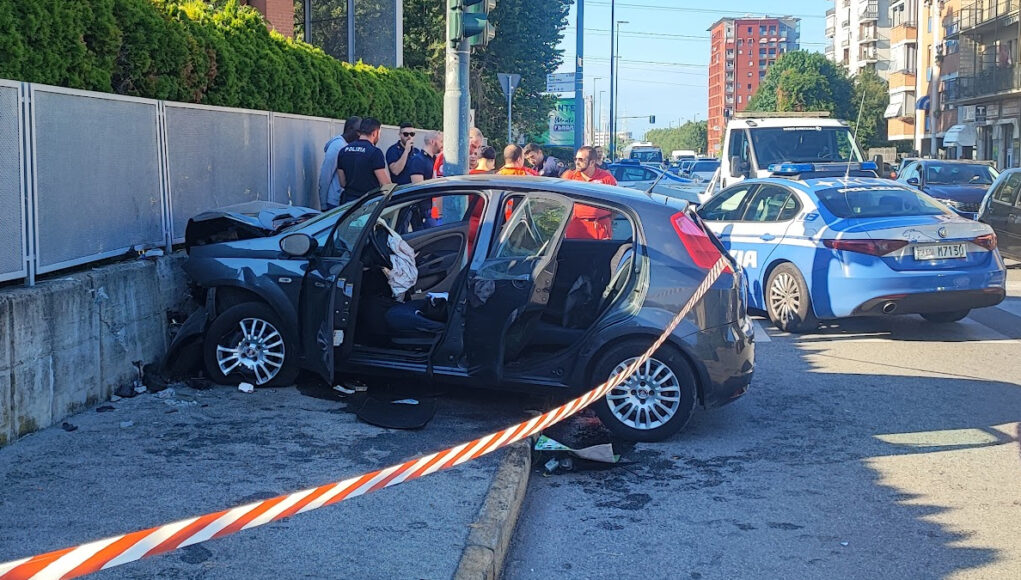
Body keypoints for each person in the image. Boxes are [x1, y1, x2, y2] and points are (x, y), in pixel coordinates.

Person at [336, 117, 391, 204]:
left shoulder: (343, 151)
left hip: (348, 202)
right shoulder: (375, 152)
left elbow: (342, 182)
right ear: (375, 133)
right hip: (368, 202)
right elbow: (385, 184)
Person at [318, 116, 360, 210]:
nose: (360, 135)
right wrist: (323, 205)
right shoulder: (337, 146)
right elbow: (325, 175)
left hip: (345, 200)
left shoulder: (351, 146)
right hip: (334, 202)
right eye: (358, 131)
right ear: (350, 129)